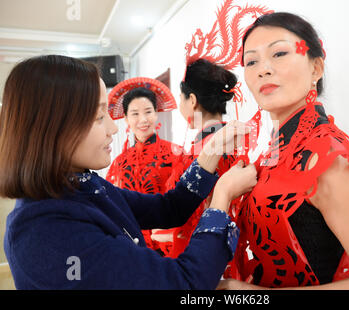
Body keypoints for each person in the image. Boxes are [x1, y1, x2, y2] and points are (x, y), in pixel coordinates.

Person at [0, 55, 257, 289]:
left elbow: (169, 207)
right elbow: (182, 284)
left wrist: (210, 153)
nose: (113, 128)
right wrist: (222, 195)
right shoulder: (42, 232)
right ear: (52, 126)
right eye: (99, 116)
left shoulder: (84, 185)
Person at [219, 12, 349, 289]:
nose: (263, 69)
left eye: (279, 53)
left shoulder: (328, 157)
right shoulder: (276, 149)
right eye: (251, 61)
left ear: (316, 68)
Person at [160, 58, 243, 258]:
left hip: (203, 250)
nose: (180, 105)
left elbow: (199, 211)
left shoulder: (205, 148)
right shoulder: (230, 138)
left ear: (193, 100)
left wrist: (165, 234)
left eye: (181, 99)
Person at [105, 85, 187, 255]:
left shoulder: (177, 154)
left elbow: (185, 203)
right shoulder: (119, 163)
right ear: (126, 119)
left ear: (156, 114)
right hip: (132, 248)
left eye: (148, 112)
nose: (143, 119)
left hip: (168, 246)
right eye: (135, 114)